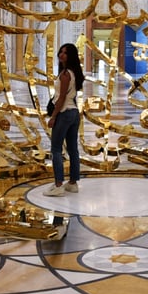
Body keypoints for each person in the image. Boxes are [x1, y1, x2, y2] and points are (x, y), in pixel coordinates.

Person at [44, 42, 85, 197]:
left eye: (65, 53)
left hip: (64, 113)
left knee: (56, 149)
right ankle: (73, 183)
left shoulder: (66, 74)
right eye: (61, 51)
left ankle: (58, 185)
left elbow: (61, 98)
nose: (61, 55)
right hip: (74, 113)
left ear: (71, 56)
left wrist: (53, 117)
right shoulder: (74, 73)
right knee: (73, 149)